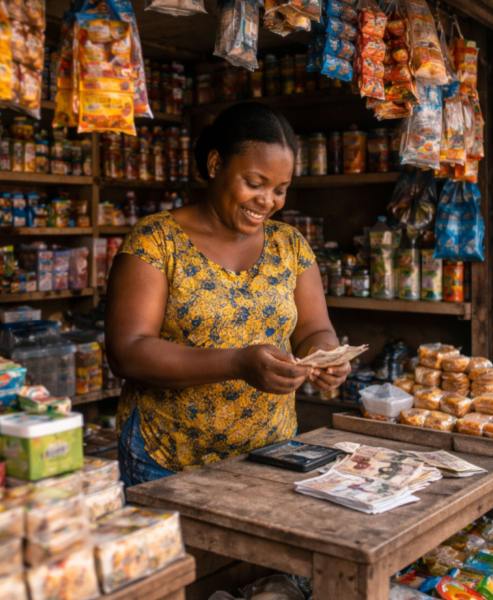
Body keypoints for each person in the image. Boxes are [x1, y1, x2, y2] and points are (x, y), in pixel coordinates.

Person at [105, 103, 352, 486]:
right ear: (216, 164)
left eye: (280, 190)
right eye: (254, 183)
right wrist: (237, 363)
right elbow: (128, 351)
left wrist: (326, 357)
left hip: (272, 454)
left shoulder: (289, 244)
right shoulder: (157, 240)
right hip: (167, 456)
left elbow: (313, 329)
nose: (267, 201)